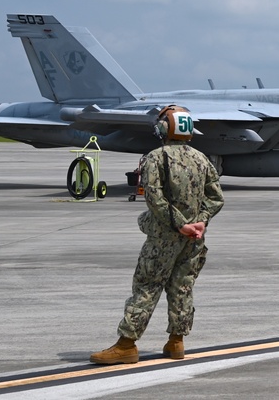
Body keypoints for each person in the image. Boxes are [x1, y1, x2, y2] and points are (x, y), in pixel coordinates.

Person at [90, 105, 225, 365]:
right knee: (182, 287)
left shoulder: (155, 157)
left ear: (165, 128)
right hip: (194, 240)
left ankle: (126, 345)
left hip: (164, 237)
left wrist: (180, 225)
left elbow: (154, 198)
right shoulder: (201, 158)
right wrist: (199, 222)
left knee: (147, 286)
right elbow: (216, 198)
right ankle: (177, 342)